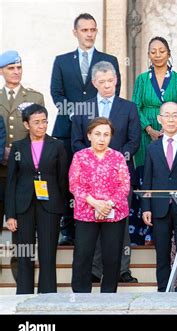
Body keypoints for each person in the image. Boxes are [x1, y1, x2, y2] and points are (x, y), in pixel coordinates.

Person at [51, 13, 121, 246]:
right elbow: (57, 93)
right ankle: (67, 227)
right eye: (85, 30)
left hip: (99, 132)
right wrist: (76, 113)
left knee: (100, 179)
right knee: (69, 179)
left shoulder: (108, 58)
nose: (89, 34)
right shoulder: (62, 61)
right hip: (68, 129)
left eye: (93, 30)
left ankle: (102, 218)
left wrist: (96, 123)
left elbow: (112, 91)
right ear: (76, 32)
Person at [71, 61, 141, 283]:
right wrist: (94, 161)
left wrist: (114, 158)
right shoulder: (83, 107)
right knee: (91, 227)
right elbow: (76, 141)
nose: (107, 85)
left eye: (110, 80)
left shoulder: (128, 107)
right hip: (89, 183)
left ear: (116, 80)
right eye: (102, 82)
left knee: (118, 227)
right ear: (94, 83)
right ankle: (94, 269)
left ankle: (122, 269)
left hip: (118, 179)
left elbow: (134, 140)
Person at [5, 104, 68, 294]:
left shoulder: (57, 146)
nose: (42, 126)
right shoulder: (18, 147)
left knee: (48, 253)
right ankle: (23, 294)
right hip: (23, 206)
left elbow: (62, 179)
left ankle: (47, 295)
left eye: (44, 122)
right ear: (26, 124)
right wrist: (11, 215)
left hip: (50, 206)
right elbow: (11, 182)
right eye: (36, 122)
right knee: (24, 253)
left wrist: (62, 208)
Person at [69, 117, 130, 293]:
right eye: (97, 134)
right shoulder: (80, 156)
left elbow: (124, 186)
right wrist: (95, 203)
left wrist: (107, 205)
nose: (101, 139)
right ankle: (80, 296)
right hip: (86, 212)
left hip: (114, 212)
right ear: (89, 135)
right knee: (83, 255)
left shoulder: (118, 157)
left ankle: (108, 296)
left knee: (112, 257)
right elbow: (74, 184)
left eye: (106, 134)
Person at [141, 102, 177, 292]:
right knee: (161, 251)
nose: (171, 119)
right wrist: (146, 206)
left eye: (175, 115)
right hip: (159, 206)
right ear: (159, 119)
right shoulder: (152, 148)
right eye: (167, 115)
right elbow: (147, 180)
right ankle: (163, 288)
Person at [0, 50, 43, 281]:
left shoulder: (34, 97)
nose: (15, 72)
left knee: (22, 227)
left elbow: (38, 132)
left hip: (23, 172)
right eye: (10, 68)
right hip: (0, 171)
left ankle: (22, 275)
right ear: (1, 71)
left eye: (18, 67)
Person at [132, 36, 177, 173]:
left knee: (169, 169)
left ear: (169, 54)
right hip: (146, 132)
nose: (157, 55)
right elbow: (135, 107)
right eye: (153, 52)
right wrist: (149, 129)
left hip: (171, 130)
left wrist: (168, 129)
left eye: (161, 51)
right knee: (146, 171)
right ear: (148, 55)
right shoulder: (142, 79)